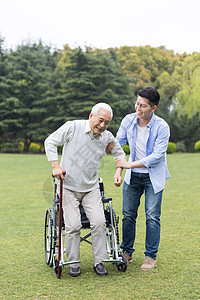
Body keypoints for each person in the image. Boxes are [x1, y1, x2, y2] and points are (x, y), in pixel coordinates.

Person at [44, 103, 125, 277]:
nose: (102, 126)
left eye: (107, 123)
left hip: (91, 188)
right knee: (73, 225)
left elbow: (120, 154)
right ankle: (73, 262)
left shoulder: (106, 137)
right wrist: (56, 166)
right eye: (100, 120)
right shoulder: (72, 127)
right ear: (91, 116)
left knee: (99, 222)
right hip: (68, 187)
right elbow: (50, 141)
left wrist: (118, 172)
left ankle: (99, 262)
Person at [116, 87, 170, 271]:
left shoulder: (162, 126)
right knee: (128, 215)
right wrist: (119, 169)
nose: (138, 109)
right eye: (137, 104)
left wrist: (130, 164)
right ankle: (126, 252)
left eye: (143, 106)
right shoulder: (128, 120)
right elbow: (118, 144)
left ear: (153, 108)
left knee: (152, 217)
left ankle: (150, 257)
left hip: (152, 178)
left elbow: (157, 156)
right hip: (132, 178)